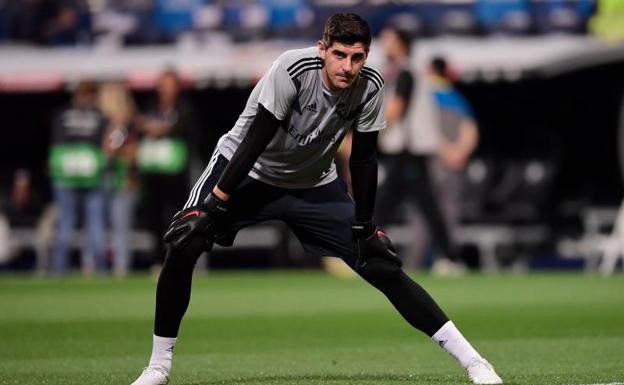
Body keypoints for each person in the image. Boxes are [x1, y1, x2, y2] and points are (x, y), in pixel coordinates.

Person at [130, 13, 502, 385]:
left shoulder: (371, 85)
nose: (348, 66)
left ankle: (474, 361)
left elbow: (364, 159)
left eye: (358, 57)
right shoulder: (292, 68)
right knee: (184, 243)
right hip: (247, 172)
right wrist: (212, 206)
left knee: (380, 264)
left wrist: (365, 224)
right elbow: (253, 142)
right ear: (322, 49)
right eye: (339, 55)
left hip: (313, 183)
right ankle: (159, 367)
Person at [375, 26, 465, 274]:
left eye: (388, 40)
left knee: (384, 205)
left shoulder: (406, 72)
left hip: (408, 151)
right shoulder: (401, 71)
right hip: (407, 151)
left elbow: (395, 110)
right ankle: (451, 257)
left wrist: (365, 137)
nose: (384, 44)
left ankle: (361, 253)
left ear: (401, 45)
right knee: (419, 206)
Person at [137, 69, 194, 272]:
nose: (166, 89)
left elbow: (173, 128)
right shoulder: (151, 106)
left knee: (179, 218)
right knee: (155, 219)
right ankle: (158, 261)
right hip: (153, 172)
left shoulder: (184, 107)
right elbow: (140, 125)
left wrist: (156, 129)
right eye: (163, 84)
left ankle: (182, 260)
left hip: (176, 173)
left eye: (170, 84)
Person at [49, 80, 107, 276]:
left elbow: (56, 146)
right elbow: (106, 147)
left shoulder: (62, 115)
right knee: (89, 224)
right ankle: (97, 271)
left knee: (70, 223)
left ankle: (60, 270)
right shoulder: (99, 117)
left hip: (70, 177)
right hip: (87, 176)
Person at [428, 56, 479, 272]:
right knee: (450, 213)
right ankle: (447, 259)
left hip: (433, 163)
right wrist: (459, 152)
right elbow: (471, 130)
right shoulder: (456, 97)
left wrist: (447, 152)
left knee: (423, 216)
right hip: (453, 163)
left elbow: (426, 130)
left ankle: (417, 261)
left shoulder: (426, 95)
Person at [99, 81, 140, 277]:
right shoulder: (106, 124)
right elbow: (103, 151)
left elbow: (134, 153)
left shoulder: (132, 123)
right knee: (101, 224)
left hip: (125, 181)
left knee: (121, 226)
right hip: (106, 179)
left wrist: (117, 151)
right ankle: (97, 266)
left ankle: (120, 267)